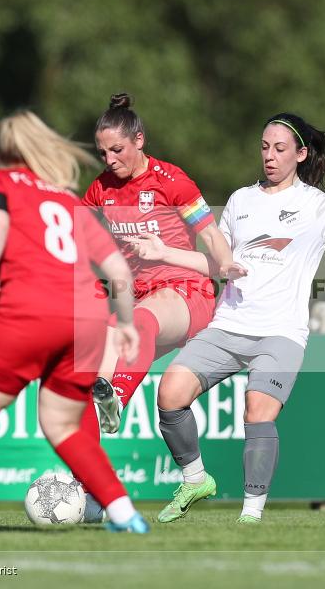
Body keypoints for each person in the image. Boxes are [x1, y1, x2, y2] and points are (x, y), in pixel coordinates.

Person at [129, 112, 325, 523]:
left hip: (280, 333)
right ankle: (195, 479)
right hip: (228, 324)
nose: (269, 156)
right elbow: (220, 263)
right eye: (265, 147)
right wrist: (164, 252)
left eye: (280, 148)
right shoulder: (240, 200)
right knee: (170, 394)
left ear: (300, 154)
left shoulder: (317, 205)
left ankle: (251, 516)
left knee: (257, 411)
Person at [0, 110, 149, 533]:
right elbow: (116, 268)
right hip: (87, 321)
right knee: (64, 426)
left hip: (30, 312)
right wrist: (126, 323)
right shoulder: (68, 199)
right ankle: (125, 513)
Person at [79, 93, 234, 436]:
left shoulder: (171, 181)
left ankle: (118, 397)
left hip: (186, 293)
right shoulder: (101, 188)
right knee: (94, 372)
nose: (110, 160)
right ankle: (92, 451)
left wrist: (227, 264)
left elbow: (211, 235)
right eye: (103, 153)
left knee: (136, 323)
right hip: (140, 297)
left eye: (117, 150)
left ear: (139, 140)